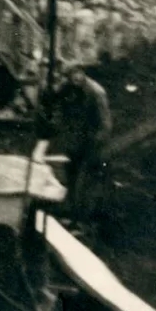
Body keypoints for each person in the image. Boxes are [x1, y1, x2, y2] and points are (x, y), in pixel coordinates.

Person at [50, 64, 112, 222]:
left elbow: (105, 124)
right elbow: (55, 99)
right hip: (75, 139)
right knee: (71, 176)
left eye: (77, 74)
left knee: (87, 181)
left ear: (82, 73)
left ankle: (85, 218)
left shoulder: (96, 92)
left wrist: (95, 144)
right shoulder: (68, 87)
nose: (74, 78)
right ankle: (72, 212)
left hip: (92, 142)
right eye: (70, 75)